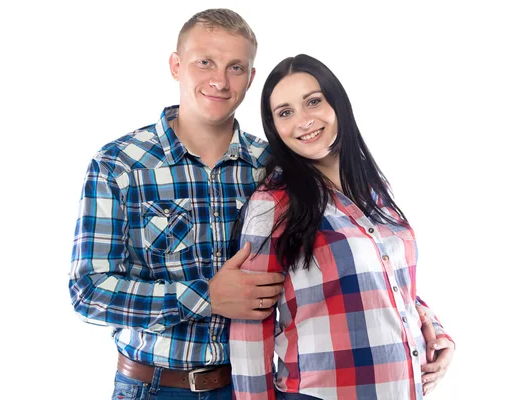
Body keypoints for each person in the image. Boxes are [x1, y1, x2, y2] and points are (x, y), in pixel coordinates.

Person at [69, 9, 286, 400]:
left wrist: (419, 320)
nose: (219, 80)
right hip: (153, 387)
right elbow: (89, 292)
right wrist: (207, 297)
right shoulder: (120, 164)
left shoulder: (271, 166)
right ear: (175, 65)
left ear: (251, 78)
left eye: (235, 67)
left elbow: (341, 250)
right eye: (205, 62)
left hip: (251, 386)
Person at [229, 54, 455, 400]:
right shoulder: (273, 204)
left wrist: (436, 334)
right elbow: (250, 324)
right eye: (285, 113)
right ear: (274, 128)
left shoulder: (373, 187)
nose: (303, 121)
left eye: (313, 102)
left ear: (338, 104)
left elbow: (391, 284)